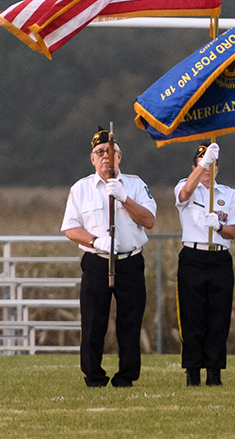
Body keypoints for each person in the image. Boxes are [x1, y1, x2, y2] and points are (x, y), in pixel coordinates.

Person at [61, 127, 157, 388]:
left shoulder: (135, 185)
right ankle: (94, 377)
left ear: (119, 156)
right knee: (93, 322)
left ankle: (126, 377)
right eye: (100, 152)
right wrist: (95, 241)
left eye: (110, 151)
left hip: (130, 261)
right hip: (96, 261)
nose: (106, 156)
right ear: (92, 159)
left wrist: (124, 198)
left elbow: (148, 220)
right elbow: (70, 228)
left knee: (130, 322)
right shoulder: (81, 188)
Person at [175, 142, 235, 387]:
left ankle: (214, 372)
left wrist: (218, 226)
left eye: (212, 165)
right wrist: (204, 162)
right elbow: (184, 194)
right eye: (203, 165)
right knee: (191, 315)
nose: (207, 169)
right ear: (194, 167)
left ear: (218, 168)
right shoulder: (185, 186)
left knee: (219, 316)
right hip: (193, 257)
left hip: (219, 258)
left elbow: (232, 232)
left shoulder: (229, 194)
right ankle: (192, 371)